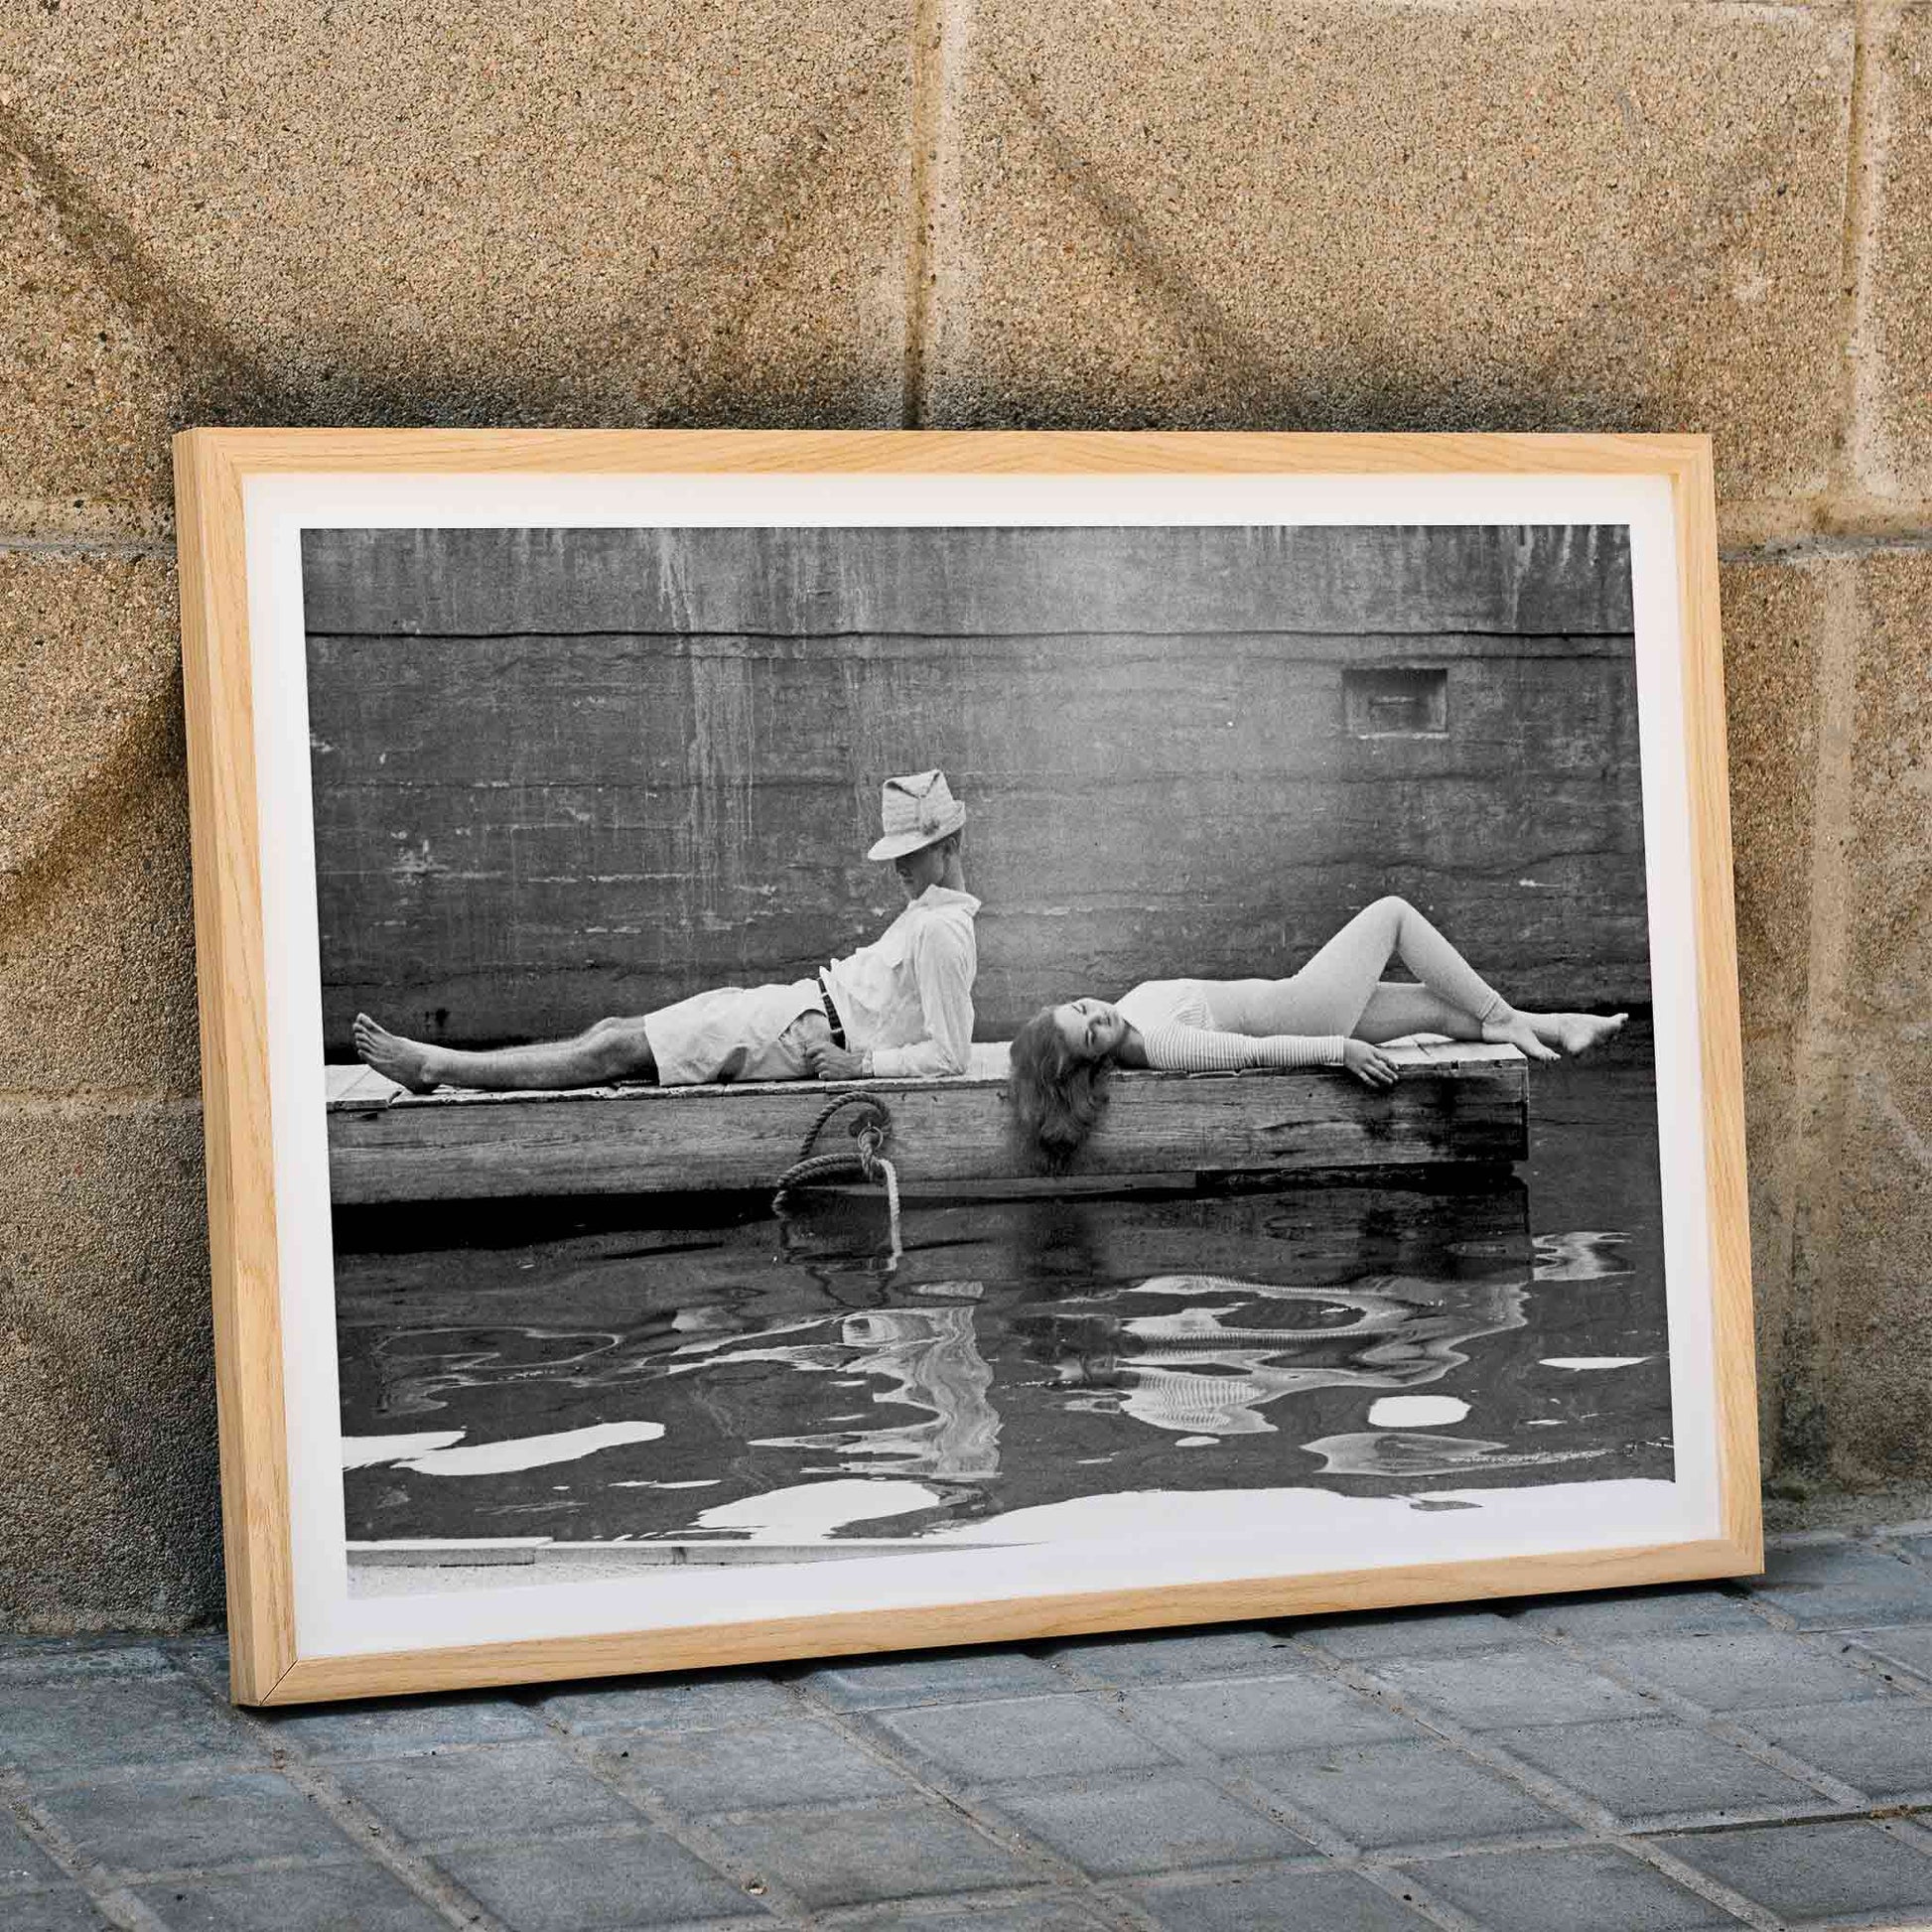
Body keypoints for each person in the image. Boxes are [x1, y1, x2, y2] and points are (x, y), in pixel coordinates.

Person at [353, 769, 980, 1091]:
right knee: (610, 1035)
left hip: (797, 1034)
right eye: (897, 850)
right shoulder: (928, 912)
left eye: (913, 849)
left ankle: (436, 1067)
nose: (899, 863)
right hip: (794, 1008)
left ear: (948, 843)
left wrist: (859, 1065)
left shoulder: (943, 930)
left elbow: (949, 1056)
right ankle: (447, 1065)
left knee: (612, 1053)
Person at [1008, 895, 1626, 1169]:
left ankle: (1562, 1027)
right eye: (1089, 1034)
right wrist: (1342, 1049)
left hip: (1300, 1001)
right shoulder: (1158, 1043)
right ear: (1093, 1064)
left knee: (1438, 1011)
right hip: (1309, 1012)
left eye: (1083, 1007)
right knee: (1392, 914)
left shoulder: (1125, 1017)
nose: (1098, 1017)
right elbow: (1254, 1053)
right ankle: (1504, 1016)